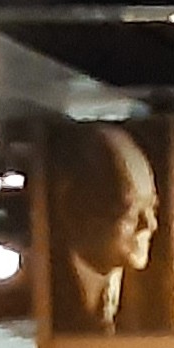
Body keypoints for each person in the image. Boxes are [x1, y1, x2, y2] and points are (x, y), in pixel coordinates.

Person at [51, 123, 163, 334]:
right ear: (77, 208)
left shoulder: (161, 296)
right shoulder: (44, 291)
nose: (150, 225)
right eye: (130, 211)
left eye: (152, 207)